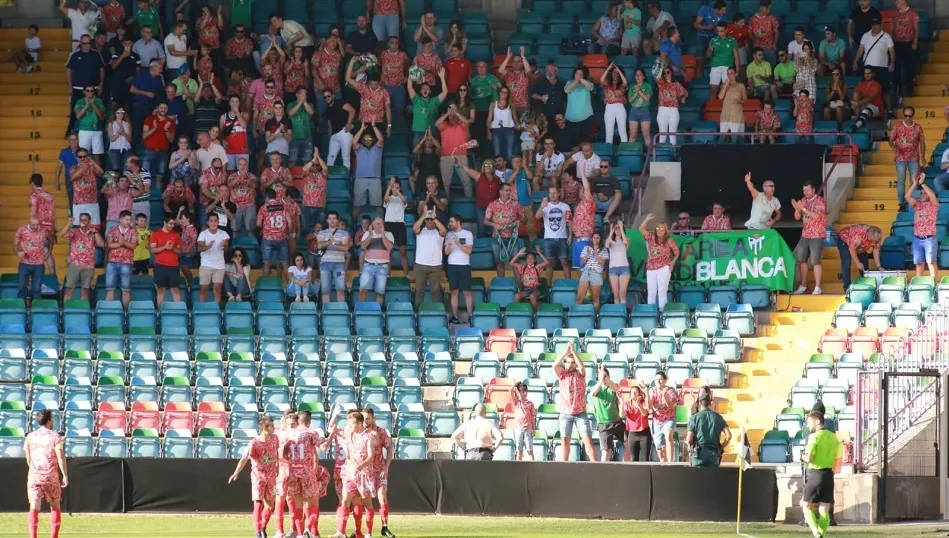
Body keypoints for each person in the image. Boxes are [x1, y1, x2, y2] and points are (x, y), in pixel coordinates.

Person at [228, 416, 278, 538]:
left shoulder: (275, 439)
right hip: (258, 476)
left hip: (271, 476)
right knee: (258, 502)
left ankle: (263, 526)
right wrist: (236, 472)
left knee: (270, 505)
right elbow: (244, 458)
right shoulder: (254, 443)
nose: (274, 428)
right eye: (272, 426)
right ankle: (258, 532)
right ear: (266, 428)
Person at [24, 409, 68, 538]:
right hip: (50, 476)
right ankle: (54, 536)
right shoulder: (55, 437)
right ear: (49, 420)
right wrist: (65, 475)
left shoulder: (30, 437)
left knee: (34, 506)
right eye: (52, 419)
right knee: (55, 505)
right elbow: (60, 456)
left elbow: (28, 458)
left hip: (34, 475)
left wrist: (35, 470)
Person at [554, 342, 597, 461]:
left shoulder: (580, 374)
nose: (570, 365)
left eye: (572, 362)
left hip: (580, 412)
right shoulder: (562, 374)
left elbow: (582, 367)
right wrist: (565, 353)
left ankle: (595, 464)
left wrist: (573, 352)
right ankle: (564, 464)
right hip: (565, 412)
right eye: (568, 362)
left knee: (587, 439)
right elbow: (554, 366)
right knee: (564, 440)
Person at [800, 411, 840, 538]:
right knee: (824, 508)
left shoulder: (814, 437)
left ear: (817, 422)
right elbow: (838, 457)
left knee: (805, 505)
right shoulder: (833, 436)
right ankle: (821, 534)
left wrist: (802, 456)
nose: (807, 425)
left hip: (815, 474)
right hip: (829, 474)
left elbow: (810, 458)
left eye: (809, 422)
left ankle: (816, 532)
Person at [851, 17, 894, 116]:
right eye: (873, 24)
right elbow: (861, 50)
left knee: (885, 90)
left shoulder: (886, 36)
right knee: (865, 89)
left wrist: (892, 62)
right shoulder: (865, 36)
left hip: (882, 67)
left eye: (877, 24)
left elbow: (892, 51)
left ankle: (889, 110)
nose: (875, 26)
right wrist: (855, 61)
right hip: (868, 67)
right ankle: (859, 111)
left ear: (881, 25)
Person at [791, 181, 827, 295]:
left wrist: (804, 209)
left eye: (807, 190)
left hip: (817, 235)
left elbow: (817, 216)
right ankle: (803, 285)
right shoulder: (803, 200)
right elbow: (797, 217)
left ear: (813, 190)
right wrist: (797, 208)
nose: (805, 192)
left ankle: (817, 287)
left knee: (815, 261)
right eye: (804, 190)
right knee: (802, 261)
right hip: (805, 235)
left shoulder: (820, 200)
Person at [889, 105, 927, 210]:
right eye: (906, 116)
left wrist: (923, 157)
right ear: (903, 115)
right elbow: (891, 140)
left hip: (914, 158)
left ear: (913, 116)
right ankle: (902, 204)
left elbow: (922, 142)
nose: (908, 118)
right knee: (901, 182)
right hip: (900, 158)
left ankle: (911, 203)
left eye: (910, 116)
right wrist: (894, 148)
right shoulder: (897, 126)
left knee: (913, 181)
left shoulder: (918, 127)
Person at [639, 213, 678, 311]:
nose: (659, 230)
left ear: (665, 230)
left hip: (664, 267)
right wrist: (647, 219)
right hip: (651, 268)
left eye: (662, 228)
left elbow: (677, 252)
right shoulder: (651, 237)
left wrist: (672, 263)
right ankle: (650, 313)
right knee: (651, 293)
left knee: (662, 292)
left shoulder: (669, 240)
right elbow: (641, 229)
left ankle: (662, 313)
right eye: (657, 228)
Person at [686, 388, 731, 468]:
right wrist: (721, 447)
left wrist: (690, 448)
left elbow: (689, 439)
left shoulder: (694, 418)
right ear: (710, 403)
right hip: (714, 454)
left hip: (698, 455)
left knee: (698, 479)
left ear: (700, 403)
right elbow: (729, 436)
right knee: (712, 479)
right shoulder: (718, 417)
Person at [435, 104, 473, 198]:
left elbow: (467, 122)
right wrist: (447, 114)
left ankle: (469, 200)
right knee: (445, 183)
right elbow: (436, 124)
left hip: (460, 155)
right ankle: (446, 204)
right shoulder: (444, 125)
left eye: (454, 109)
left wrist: (456, 112)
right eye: (450, 109)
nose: (452, 111)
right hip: (446, 156)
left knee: (466, 180)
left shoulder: (462, 124)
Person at [484, 183, 521, 278]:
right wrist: (494, 224)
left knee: (515, 262)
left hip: (512, 238)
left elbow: (524, 220)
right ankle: (501, 284)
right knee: (499, 262)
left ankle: (518, 287)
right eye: (506, 190)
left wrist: (521, 220)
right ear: (500, 192)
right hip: (497, 238)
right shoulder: (493, 204)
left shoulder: (516, 204)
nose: (509, 192)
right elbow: (485, 221)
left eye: (510, 190)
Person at [412, 209, 447, 306]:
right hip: (420, 265)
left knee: (435, 291)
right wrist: (424, 215)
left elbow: (444, 231)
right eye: (428, 219)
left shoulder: (438, 232)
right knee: (419, 291)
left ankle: (436, 313)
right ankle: (417, 314)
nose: (429, 221)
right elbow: (415, 228)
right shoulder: (421, 231)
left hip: (435, 266)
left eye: (431, 219)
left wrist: (434, 218)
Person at [906, 172, 938, 279]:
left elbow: (932, 195)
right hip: (917, 238)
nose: (922, 195)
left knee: (931, 263)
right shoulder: (917, 204)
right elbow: (907, 196)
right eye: (921, 194)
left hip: (929, 238)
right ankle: (919, 284)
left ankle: (934, 285)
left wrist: (923, 184)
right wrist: (915, 184)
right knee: (919, 263)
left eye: (925, 194)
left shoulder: (933, 204)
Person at [537, 187, 572, 283]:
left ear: (559, 194)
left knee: (564, 262)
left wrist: (570, 236)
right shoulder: (545, 206)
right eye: (550, 193)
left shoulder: (565, 206)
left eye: (554, 193)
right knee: (549, 264)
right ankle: (548, 286)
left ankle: (569, 284)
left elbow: (569, 222)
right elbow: (537, 216)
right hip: (548, 238)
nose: (552, 195)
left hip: (562, 238)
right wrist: (541, 206)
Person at [590, 367, 625, 462]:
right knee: (606, 450)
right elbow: (593, 393)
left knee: (628, 443)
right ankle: (603, 471)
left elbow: (617, 389)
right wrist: (601, 380)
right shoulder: (598, 389)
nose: (603, 378)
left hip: (617, 421)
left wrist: (607, 379)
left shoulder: (613, 387)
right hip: (604, 423)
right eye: (601, 376)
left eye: (605, 376)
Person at [445, 215, 474, 325]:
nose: (450, 223)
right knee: (454, 292)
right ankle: (455, 316)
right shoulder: (449, 234)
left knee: (467, 292)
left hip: (464, 265)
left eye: (452, 221)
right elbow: (446, 252)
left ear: (458, 222)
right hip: (452, 265)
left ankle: (470, 315)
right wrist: (449, 243)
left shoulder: (467, 234)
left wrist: (458, 243)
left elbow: (469, 251)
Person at [353, 123, 387, 217]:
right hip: (360, 179)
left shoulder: (377, 148)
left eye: (369, 138)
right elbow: (354, 142)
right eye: (365, 139)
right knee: (356, 205)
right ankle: (354, 226)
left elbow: (380, 139)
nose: (367, 140)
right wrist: (361, 129)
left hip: (375, 179)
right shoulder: (359, 149)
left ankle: (380, 224)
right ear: (362, 140)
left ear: (372, 139)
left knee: (378, 205)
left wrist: (374, 126)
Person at [359, 217, 395, 306]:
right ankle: (360, 310)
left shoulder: (389, 234)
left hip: (382, 266)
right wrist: (371, 235)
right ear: (373, 224)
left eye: (381, 223)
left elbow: (389, 247)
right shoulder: (367, 234)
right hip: (368, 265)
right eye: (378, 223)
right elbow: (363, 246)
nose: (380, 225)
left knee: (380, 292)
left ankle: (377, 313)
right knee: (363, 290)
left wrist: (383, 234)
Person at [316, 211, 350, 304]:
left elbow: (345, 247)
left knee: (340, 288)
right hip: (325, 263)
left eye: (334, 218)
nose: (332, 220)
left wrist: (334, 244)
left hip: (339, 263)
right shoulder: (322, 233)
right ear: (327, 220)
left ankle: (341, 311)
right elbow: (319, 246)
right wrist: (329, 242)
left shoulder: (344, 233)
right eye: (330, 218)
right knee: (325, 289)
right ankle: (326, 310)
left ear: (337, 220)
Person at [105, 210, 137, 307]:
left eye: (129, 219)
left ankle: (126, 313)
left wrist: (124, 243)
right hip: (112, 261)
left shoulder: (133, 231)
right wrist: (120, 244)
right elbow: (109, 244)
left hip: (127, 262)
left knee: (126, 289)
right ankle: (108, 311)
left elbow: (133, 246)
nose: (129, 221)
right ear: (120, 219)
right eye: (127, 219)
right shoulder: (112, 230)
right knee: (110, 288)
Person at [198, 213, 230, 304]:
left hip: (219, 266)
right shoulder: (203, 234)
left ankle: (216, 310)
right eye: (211, 221)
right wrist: (208, 246)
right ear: (208, 222)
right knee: (204, 289)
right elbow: (199, 248)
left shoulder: (223, 233)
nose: (213, 223)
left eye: (215, 221)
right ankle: (201, 309)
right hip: (205, 265)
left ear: (218, 222)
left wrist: (224, 246)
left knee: (217, 289)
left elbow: (226, 248)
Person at [15, 215, 47, 303]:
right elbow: (15, 245)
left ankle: (36, 312)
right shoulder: (22, 230)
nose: (36, 227)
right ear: (29, 223)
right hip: (24, 263)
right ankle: (20, 310)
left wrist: (49, 252)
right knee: (22, 288)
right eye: (33, 225)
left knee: (36, 289)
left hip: (39, 264)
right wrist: (18, 251)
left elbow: (51, 239)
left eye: (37, 225)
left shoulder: (44, 230)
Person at [891, 0, 919, 102]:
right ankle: (898, 90)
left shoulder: (913, 14)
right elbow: (893, 28)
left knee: (909, 68)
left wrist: (915, 42)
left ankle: (909, 90)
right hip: (897, 43)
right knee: (897, 68)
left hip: (909, 43)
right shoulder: (895, 14)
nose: (895, 3)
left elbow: (916, 29)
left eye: (897, 1)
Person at [650, 371, 678, 462]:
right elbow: (650, 406)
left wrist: (665, 395)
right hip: (657, 421)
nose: (658, 381)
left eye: (661, 379)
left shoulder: (671, 390)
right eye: (656, 379)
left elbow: (671, 406)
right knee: (661, 453)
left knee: (668, 434)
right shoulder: (652, 390)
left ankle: (671, 462)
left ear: (665, 380)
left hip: (669, 419)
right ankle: (665, 465)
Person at [655, 65, 688, 145]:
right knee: (662, 134)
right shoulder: (661, 82)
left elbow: (685, 92)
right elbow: (656, 75)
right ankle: (661, 154)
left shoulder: (676, 84)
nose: (666, 74)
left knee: (672, 134)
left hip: (673, 109)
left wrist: (683, 99)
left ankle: (673, 154)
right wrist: (661, 65)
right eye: (664, 73)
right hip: (663, 109)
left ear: (671, 73)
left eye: (668, 72)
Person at [577, 230, 608, 311]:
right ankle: (577, 317)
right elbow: (582, 262)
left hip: (596, 273)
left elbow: (602, 263)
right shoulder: (586, 248)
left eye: (597, 238)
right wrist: (587, 255)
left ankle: (596, 318)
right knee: (579, 297)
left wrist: (596, 253)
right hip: (586, 271)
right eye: (594, 238)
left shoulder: (604, 250)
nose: (595, 239)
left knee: (595, 299)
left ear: (600, 239)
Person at [708, 21, 739, 99]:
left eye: (721, 31)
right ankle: (712, 109)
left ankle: (725, 109)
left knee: (726, 90)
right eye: (718, 31)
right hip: (715, 66)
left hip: (728, 67)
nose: (719, 33)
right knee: (713, 90)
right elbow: (708, 56)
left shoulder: (732, 40)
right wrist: (710, 50)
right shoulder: (713, 40)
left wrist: (737, 70)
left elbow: (736, 56)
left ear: (726, 30)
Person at [564, 68, 595, 146]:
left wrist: (581, 79)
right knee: (573, 143)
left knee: (585, 142)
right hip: (571, 118)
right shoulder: (569, 83)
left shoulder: (588, 83)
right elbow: (567, 89)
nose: (578, 75)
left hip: (586, 117)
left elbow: (590, 87)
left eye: (581, 74)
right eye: (577, 74)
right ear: (574, 75)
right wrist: (576, 81)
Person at [510, 247, 547, 311]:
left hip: (535, 289)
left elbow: (546, 262)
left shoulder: (537, 268)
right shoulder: (523, 268)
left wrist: (539, 253)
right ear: (526, 260)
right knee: (517, 296)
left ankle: (535, 313)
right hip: (525, 289)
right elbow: (511, 263)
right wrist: (518, 254)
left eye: (531, 258)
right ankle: (517, 312)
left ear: (535, 260)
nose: (529, 259)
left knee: (532, 296)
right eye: (528, 258)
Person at [623, 385, 653, 462]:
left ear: (639, 394)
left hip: (644, 433)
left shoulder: (643, 403)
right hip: (633, 434)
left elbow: (645, 413)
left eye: (636, 392)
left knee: (645, 458)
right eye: (632, 392)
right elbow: (622, 414)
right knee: (634, 458)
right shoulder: (627, 404)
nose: (634, 394)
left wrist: (638, 404)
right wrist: (620, 402)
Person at [600, 64, 629, 145]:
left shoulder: (622, 84)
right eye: (614, 73)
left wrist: (618, 70)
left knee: (622, 130)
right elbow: (601, 80)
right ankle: (608, 151)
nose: (615, 74)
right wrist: (608, 69)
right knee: (609, 131)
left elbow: (625, 82)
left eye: (617, 73)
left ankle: (625, 150)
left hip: (620, 107)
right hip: (609, 107)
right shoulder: (607, 83)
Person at [850, 67, 885, 131]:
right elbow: (856, 94)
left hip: (876, 107)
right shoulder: (861, 84)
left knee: (866, 110)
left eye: (869, 73)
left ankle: (856, 126)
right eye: (865, 73)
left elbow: (870, 98)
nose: (867, 75)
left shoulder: (877, 85)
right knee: (855, 102)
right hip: (863, 104)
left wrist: (858, 103)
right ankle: (857, 115)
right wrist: (855, 103)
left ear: (873, 74)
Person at [509, 382, 536, 461]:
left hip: (528, 428)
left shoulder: (530, 404)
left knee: (530, 450)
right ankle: (518, 466)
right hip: (519, 428)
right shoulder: (516, 402)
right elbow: (510, 390)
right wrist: (515, 384)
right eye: (521, 391)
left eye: (525, 391)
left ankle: (533, 465)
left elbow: (532, 417)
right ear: (518, 392)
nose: (523, 393)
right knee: (519, 450)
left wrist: (534, 429)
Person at [606, 219, 631, 305]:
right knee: (616, 295)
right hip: (613, 269)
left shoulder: (627, 239)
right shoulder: (611, 241)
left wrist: (621, 227)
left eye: (619, 228)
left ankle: (623, 313)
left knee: (622, 294)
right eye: (615, 228)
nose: (617, 229)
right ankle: (617, 313)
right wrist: (610, 231)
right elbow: (606, 245)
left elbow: (625, 242)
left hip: (624, 268)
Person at [718, 67, 745, 140]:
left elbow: (745, 100)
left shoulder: (741, 86)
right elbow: (720, 97)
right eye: (728, 74)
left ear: (736, 74)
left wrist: (739, 101)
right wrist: (726, 84)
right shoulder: (724, 86)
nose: (729, 75)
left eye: (732, 73)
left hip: (737, 116)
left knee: (735, 140)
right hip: (725, 115)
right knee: (721, 139)